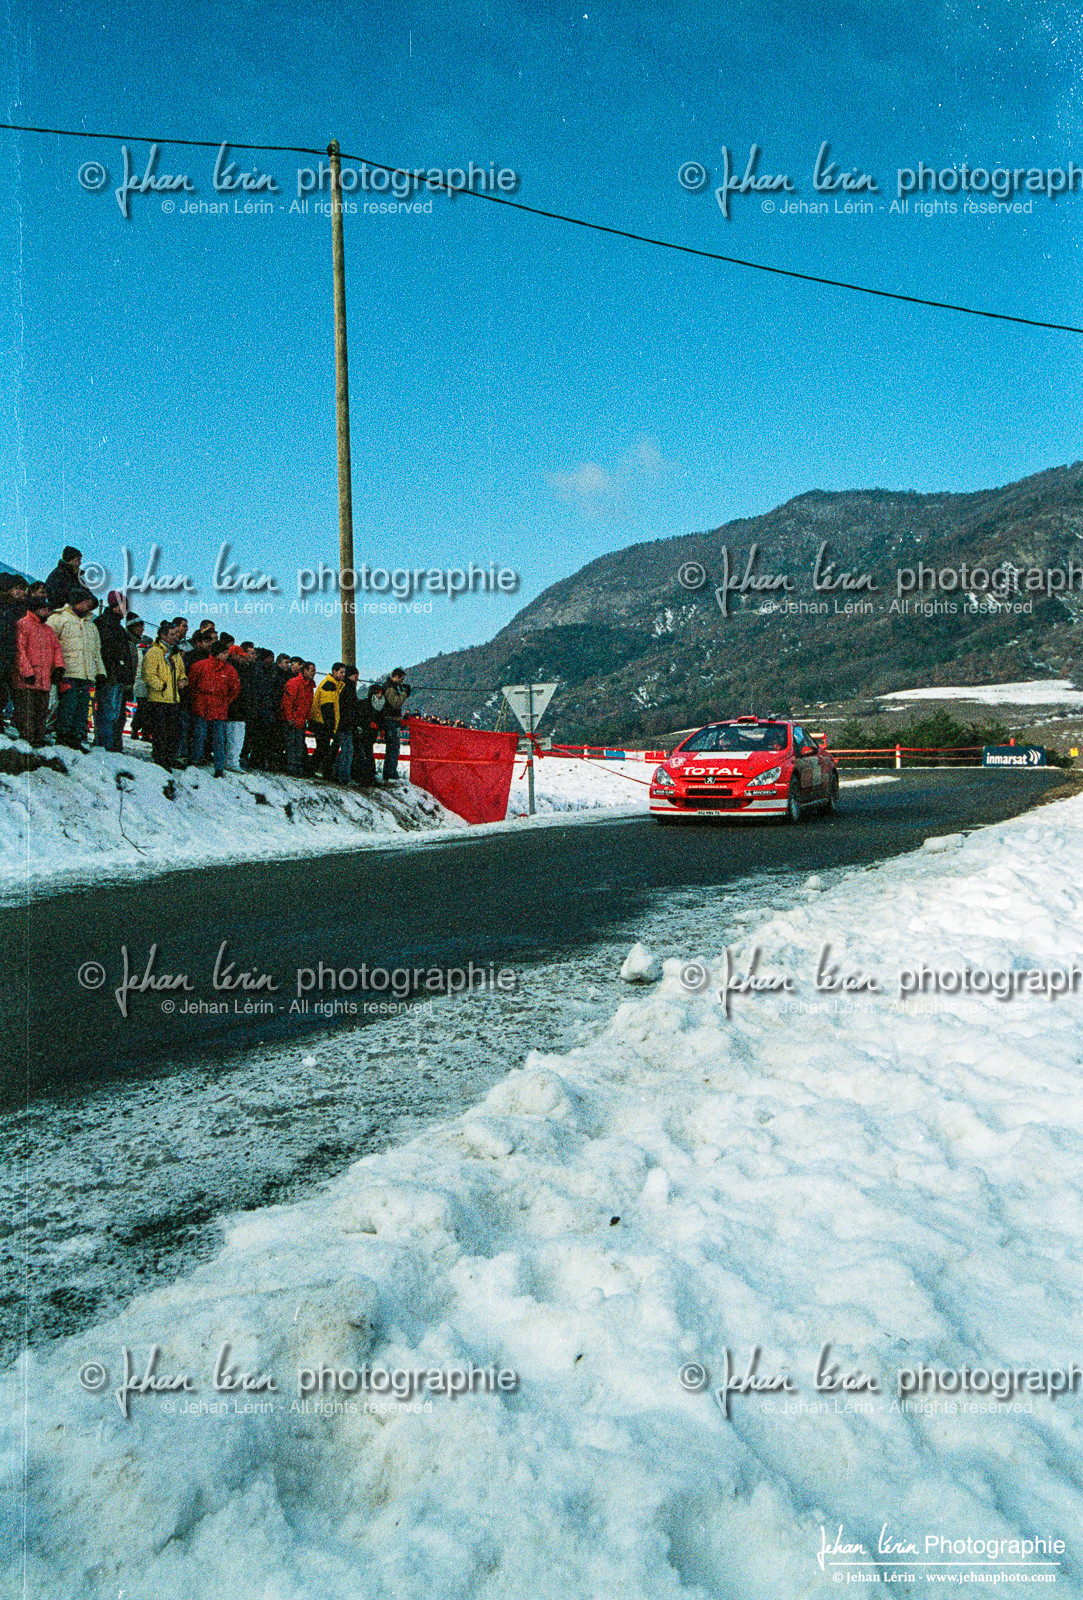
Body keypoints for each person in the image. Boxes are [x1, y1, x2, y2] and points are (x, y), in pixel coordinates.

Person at [47, 589, 106, 751]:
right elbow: (49, 645)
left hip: (86, 673)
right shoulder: (58, 619)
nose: (89, 606)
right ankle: (63, 735)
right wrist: (54, 667)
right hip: (67, 671)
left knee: (82, 707)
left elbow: (96, 652)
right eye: (86, 602)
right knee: (68, 705)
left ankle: (76, 736)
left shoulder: (91, 626)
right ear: (77, 601)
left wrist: (100, 672)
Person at [12, 594, 65, 746]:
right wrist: (27, 672)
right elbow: (19, 651)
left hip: (44, 679)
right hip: (27, 679)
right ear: (36, 609)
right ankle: (27, 739)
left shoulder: (49, 630)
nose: (47, 613)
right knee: (27, 711)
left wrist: (59, 667)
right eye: (45, 609)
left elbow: (57, 650)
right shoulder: (22, 625)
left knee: (41, 711)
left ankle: (38, 738)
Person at [186, 640, 241, 778]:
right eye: (223, 653)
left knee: (219, 739)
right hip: (202, 705)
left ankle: (219, 766)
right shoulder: (201, 666)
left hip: (219, 706)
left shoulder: (229, 670)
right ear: (216, 653)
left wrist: (225, 701)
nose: (226, 656)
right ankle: (194, 760)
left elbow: (235, 688)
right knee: (199, 735)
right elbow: (192, 684)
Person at [142, 620, 187, 770]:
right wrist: (162, 686)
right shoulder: (154, 652)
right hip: (159, 698)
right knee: (160, 731)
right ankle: (160, 758)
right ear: (163, 635)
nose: (176, 637)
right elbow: (149, 674)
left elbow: (182, 672)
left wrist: (182, 681)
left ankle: (170, 757)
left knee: (173, 731)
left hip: (174, 699)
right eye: (172, 634)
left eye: (176, 634)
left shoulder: (175, 654)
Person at [94, 591, 133, 752]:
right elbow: (106, 651)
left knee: (114, 713)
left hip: (116, 675)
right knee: (109, 712)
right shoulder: (106, 624)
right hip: (110, 674)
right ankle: (105, 744)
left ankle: (108, 744)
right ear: (115, 606)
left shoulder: (115, 626)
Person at [0, 574, 29, 732]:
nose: (20, 592)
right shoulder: (7, 607)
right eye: (16, 589)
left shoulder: (19, 608)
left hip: (11, 654)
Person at [309, 662, 346, 779]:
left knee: (323, 748)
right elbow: (327, 707)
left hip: (323, 721)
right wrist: (331, 726)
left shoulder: (334, 685)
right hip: (321, 721)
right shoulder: (329, 685)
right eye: (341, 672)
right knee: (323, 748)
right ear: (334, 672)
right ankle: (314, 769)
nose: (343, 675)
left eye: (344, 672)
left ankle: (316, 770)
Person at [279, 661, 316, 776]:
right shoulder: (294, 683)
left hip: (300, 720)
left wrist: (307, 719)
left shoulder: (309, 685)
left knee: (299, 745)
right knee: (292, 745)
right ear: (304, 671)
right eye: (312, 670)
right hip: (293, 719)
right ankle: (292, 768)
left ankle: (297, 768)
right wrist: (289, 718)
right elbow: (288, 702)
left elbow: (308, 704)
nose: (314, 673)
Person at [381, 667, 411, 782]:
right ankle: (390, 773)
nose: (402, 682)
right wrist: (404, 693)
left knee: (393, 748)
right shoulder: (390, 688)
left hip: (392, 721)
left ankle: (390, 772)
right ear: (397, 677)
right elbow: (396, 704)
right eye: (401, 679)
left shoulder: (391, 687)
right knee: (393, 747)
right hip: (390, 721)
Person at [354, 680, 385, 787]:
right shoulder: (365, 704)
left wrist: (381, 727)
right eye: (377, 693)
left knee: (368, 753)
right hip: (362, 732)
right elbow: (359, 718)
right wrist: (368, 723)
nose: (379, 695)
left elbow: (381, 719)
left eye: (381, 693)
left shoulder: (381, 705)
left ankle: (370, 776)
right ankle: (362, 776)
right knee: (362, 754)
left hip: (371, 734)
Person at [333, 667, 361, 783]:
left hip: (343, 722)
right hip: (346, 723)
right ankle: (343, 776)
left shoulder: (344, 686)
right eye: (356, 675)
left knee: (343, 749)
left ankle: (337, 772)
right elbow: (349, 707)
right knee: (347, 750)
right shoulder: (348, 688)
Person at [127, 617, 151, 740]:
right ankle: (141, 731)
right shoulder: (142, 653)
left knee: (142, 710)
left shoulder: (138, 651)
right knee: (144, 710)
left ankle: (137, 730)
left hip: (140, 684)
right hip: (143, 685)